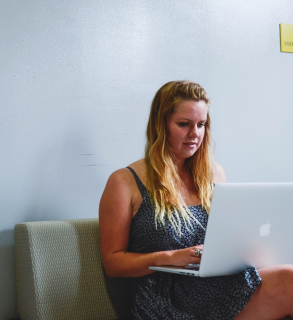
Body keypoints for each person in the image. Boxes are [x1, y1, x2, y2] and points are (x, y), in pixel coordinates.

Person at [99, 80, 293, 320]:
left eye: (201, 125)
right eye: (184, 124)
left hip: (218, 287)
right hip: (164, 299)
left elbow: (228, 237)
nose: (195, 134)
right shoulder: (124, 182)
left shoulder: (214, 174)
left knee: (289, 276)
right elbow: (113, 263)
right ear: (161, 126)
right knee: (288, 280)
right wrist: (170, 257)